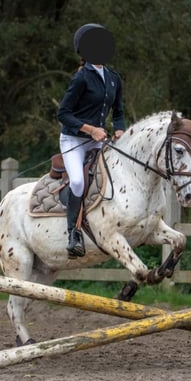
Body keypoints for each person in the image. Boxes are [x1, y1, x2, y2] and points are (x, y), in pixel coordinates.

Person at [57, 23, 126, 258]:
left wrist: (119, 130)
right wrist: (90, 129)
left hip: (99, 140)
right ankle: (73, 235)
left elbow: (118, 112)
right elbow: (63, 113)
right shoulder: (81, 79)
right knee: (78, 181)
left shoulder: (114, 78)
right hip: (73, 140)